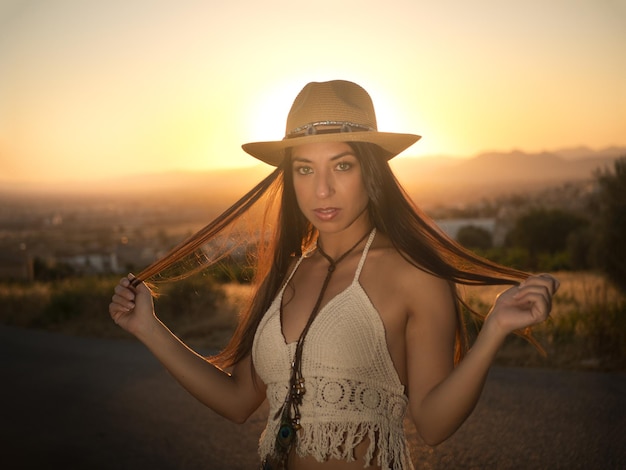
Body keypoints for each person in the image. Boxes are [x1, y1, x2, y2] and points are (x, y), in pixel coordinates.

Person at [109, 80, 559, 470]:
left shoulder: (413, 274)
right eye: (304, 169)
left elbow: (435, 424)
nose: (321, 189)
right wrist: (148, 328)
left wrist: (494, 331)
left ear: (371, 170)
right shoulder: (285, 273)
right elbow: (238, 400)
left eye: (342, 165)